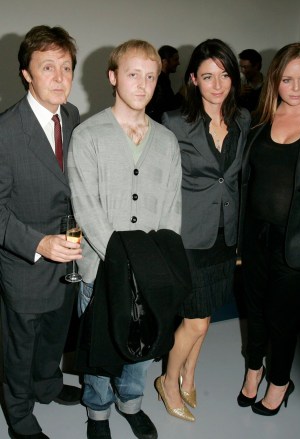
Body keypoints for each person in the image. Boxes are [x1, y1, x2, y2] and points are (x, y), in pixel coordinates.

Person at [68, 40, 182, 439]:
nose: (143, 84)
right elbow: (85, 206)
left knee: (144, 342)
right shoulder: (88, 136)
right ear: (113, 77)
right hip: (101, 266)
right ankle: (97, 411)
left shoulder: (167, 142)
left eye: (151, 77)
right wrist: (122, 259)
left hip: (150, 270)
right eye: (133, 74)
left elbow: (172, 207)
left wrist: (159, 265)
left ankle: (130, 403)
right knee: (102, 346)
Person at [237, 42, 300, 416]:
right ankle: (253, 370)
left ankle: (280, 382)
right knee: (255, 312)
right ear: (275, 79)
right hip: (256, 236)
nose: (295, 88)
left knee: (283, 320)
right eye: (288, 79)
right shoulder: (258, 122)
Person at [158, 38, 250, 421]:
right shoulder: (174, 122)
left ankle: (189, 376)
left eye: (225, 74)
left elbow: (239, 180)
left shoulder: (243, 119)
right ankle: (168, 379)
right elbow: (160, 182)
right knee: (193, 320)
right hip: (188, 237)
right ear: (193, 78)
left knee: (207, 316)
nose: (217, 84)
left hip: (225, 236)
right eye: (208, 75)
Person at [0, 25, 81, 439]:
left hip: (66, 255)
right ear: (26, 73)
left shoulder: (70, 114)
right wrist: (38, 243)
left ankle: (47, 385)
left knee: (55, 332)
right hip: (26, 260)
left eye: (66, 67)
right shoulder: (6, 132)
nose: (59, 77)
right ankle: (17, 413)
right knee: (21, 345)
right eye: (47, 67)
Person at [146, 45, 183, 122]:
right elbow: (166, 107)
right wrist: (181, 94)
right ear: (165, 61)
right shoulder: (159, 80)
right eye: (175, 59)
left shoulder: (161, 79)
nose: (178, 63)